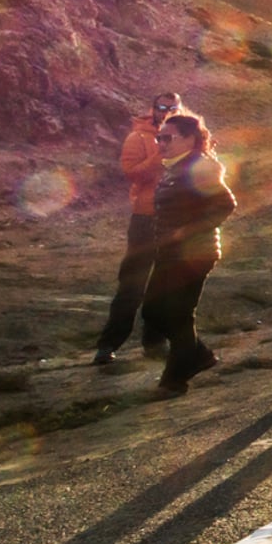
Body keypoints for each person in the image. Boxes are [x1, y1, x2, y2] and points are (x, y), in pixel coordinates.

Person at [148, 113, 238, 397]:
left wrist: (187, 231)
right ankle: (198, 355)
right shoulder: (175, 167)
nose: (161, 143)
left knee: (178, 315)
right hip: (169, 253)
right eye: (159, 138)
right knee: (153, 312)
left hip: (194, 253)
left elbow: (226, 204)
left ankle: (174, 380)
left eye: (167, 138)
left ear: (189, 139)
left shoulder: (199, 166)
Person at [96, 92, 182, 365]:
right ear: (153, 108)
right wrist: (160, 154)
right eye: (162, 107)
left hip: (175, 218)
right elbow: (131, 173)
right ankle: (108, 344)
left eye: (172, 107)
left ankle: (155, 342)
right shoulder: (138, 137)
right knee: (132, 284)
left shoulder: (187, 136)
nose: (166, 111)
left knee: (164, 284)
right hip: (145, 217)